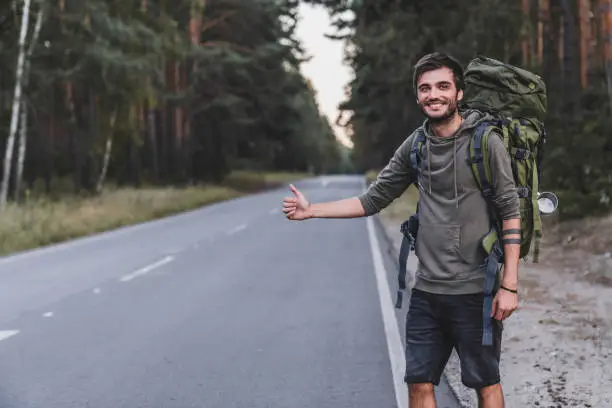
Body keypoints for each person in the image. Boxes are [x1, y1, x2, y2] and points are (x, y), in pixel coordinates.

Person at [282, 52, 520, 408]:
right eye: (425, 88)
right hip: (426, 291)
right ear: (417, 96)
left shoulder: (485, 143)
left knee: (484, 383)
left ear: (459, 92)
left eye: (442, 86)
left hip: (477, 291)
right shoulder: (416, 146)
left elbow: (510, 210)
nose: (433, 94)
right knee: (419, 382)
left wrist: (509, 285)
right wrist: (312, 210)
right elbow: (372, 199)